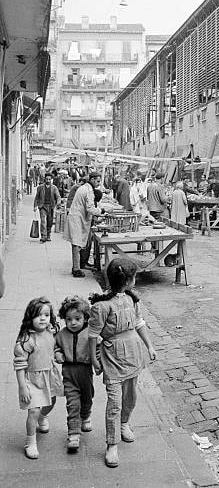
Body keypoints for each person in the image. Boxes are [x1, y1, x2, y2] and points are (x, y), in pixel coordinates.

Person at [88, 257, 156, 468]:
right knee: (114, 403)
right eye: (134, 276)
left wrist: (150, 346)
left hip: (133, 355)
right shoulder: (102, 307)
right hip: (113, 358)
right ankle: (111, 444)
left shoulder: (132, 299)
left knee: (131, 397)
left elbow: (139, 323)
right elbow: (93, 335)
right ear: (127, 280)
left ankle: (125, 423)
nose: (135, 280)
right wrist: (93, 359)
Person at [13, 297, 63, 459]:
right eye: (38, 315)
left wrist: (58, 354)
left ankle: (43, 417)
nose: (43, 318)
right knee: (33, 410)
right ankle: (31, 441)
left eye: (46, 315)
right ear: (30, 317)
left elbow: (54, 346)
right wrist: (22, 386)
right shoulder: (26, 340)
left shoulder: (50, 331)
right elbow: (20, 366)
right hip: (32, 379)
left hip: (49, 374)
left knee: (51, 402)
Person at [55, 296, 94, 453]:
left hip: (85, 372)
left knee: (87, 398)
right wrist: (57, 353)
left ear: (85, 318)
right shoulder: (61, 335)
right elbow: (55, 346)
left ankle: (85, 416)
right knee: (72, 403)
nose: (73, 322)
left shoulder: (90, 334)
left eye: (77, 318)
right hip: (69, 372)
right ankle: (73, 434)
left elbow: (97, 349)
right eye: (69, 319)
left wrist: (97, 361)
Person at [63, 171, 108, 278]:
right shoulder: (88, 191)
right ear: (91, 179)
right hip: (77, 219)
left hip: (77, 217)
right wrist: (102, 211)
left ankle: (78, 266)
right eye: (97, 181)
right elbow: (90, 208)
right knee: (76, 244)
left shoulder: (84, 188)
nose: (98, 183)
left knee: (77, 244)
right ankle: (76, 269)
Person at [33, 172, 61, 243]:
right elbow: (37, 197)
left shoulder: (54, 188)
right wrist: (35, 206)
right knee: (43, 221)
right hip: (42, 206)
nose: (48, 180)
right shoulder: (40, 187)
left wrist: (58, 202)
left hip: (51, 206)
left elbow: (58, 196)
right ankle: (43, 236)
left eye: (49, 179)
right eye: (47, 179)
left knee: (49, 222)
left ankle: (48, 234)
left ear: (51, 180)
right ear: (44, 179)